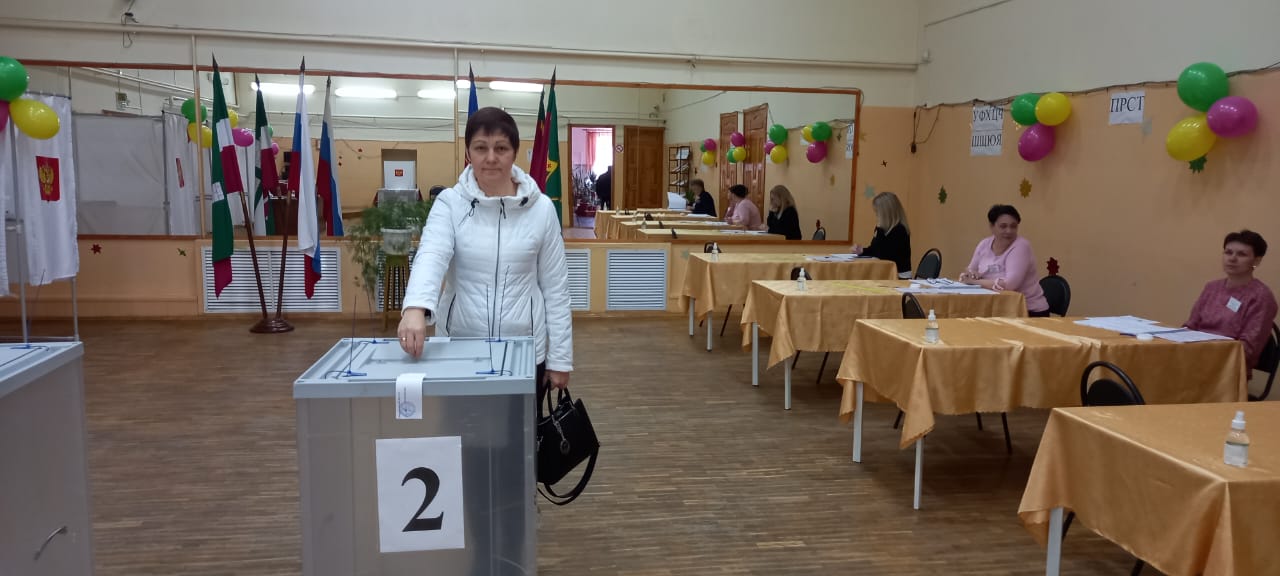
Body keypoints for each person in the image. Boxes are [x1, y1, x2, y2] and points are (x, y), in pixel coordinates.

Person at [398, 106, 573, 401]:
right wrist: (415, 308)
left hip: (524, 351)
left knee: (520, 431)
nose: (491, 157)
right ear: (469, 152)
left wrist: (560, 359)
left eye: (501, 148)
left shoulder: (541, 209)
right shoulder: (450, 203)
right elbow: (431, 255)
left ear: (514, 153)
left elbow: (556, 288)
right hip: (460, 348)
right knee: (460, 428)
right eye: (481, 148)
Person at [1185, 230, 1277, 371]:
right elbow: (1190, 326)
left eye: (1241, 254)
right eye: (1228, 252)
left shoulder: (1261, 297)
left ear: (1256, 261)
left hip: (1227, 369)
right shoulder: (1212, 287)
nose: (1232, 258)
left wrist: (1203, 351)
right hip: (1194, 357)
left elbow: (1247, 349)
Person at [958, 204, 1050, 316]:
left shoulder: (1021, 247)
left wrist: (974, 282)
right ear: (992, 226)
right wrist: (971, 274)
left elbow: (1010, 284)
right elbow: (970, 269)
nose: (1009, 231)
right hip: (997, 308)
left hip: (1027, 311)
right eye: (1003, 226)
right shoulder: (984, 244)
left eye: (1013, 226)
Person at [852, 191, 912, 278]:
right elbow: (874, 249)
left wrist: (879, 230)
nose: (876, 215)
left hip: (898, 276)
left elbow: (884, 255)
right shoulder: (882, 228)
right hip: (885, 273)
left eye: (877, 212)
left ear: (886, 212)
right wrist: (862, 251)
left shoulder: (900, 230)